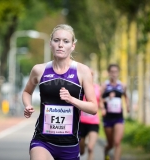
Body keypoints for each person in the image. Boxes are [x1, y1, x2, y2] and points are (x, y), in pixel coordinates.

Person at [23, 24, 98, 160]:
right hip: (43, 140)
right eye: (56, 40)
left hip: (69, 145)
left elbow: (93, 108)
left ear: (73, 46)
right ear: (50, 44)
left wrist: (72, 100)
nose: (60, 45)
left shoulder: (82, 71)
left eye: (66, 41)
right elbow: (27, 92)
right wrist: (27, 105)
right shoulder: (39, 70)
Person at [100, 64, 129, 160]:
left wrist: (127, 105)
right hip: (107, 118)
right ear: (108, 73)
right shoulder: (104, 85)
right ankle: (107, 150)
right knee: (111, 143)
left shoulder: (122, 85)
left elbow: (126, 96)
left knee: (117, 142)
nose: (114, 74)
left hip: (118, 117)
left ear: (118, 73)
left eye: (116, 72)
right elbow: (99, 99)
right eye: (112, 72)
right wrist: (104, 106)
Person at [79, 70, 101, 160]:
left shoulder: (98, 88)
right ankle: (84, 144)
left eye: (92, 74)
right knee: (81, 151)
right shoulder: (79, 88)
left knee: (91, 148)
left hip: (93, 123)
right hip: (81, 123)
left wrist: (103, 107)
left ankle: (89, 145)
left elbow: (101, 101)